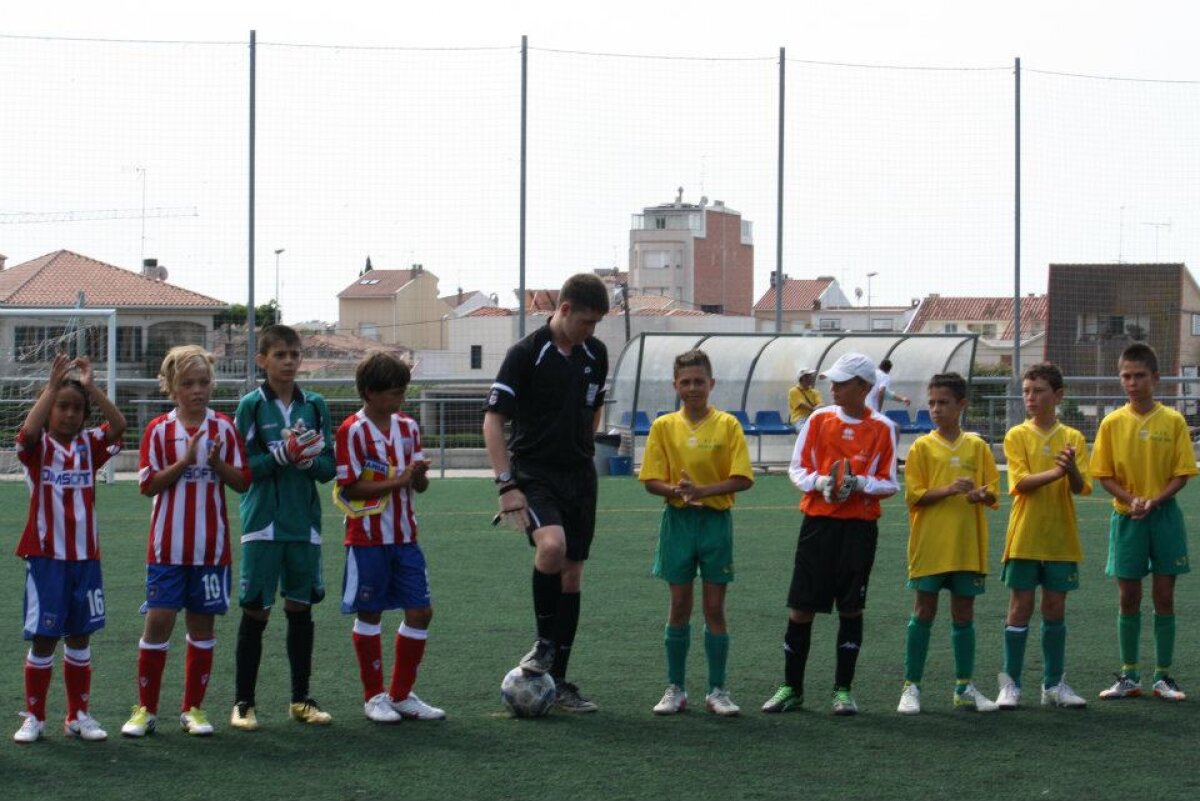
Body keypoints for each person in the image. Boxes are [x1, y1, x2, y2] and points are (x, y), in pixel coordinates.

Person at [483, 273, 609, 713]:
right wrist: (506, 484)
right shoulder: (526, 353)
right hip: (534, 473)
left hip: (579, 476)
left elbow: (593, 409)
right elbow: (493, 419)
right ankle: (542, 644)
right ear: (566, 310)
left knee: (572, 575)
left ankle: (558, 683)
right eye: (586, 322)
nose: (590, 331)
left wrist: (581, 449)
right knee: (551, 547)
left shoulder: (596, 353)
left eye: (597, 324)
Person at [122, 346, 251, 738]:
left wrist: (215, 464)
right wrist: (184, 462)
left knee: (202, 626)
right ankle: (145, 709)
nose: (197, 390)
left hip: (210, 551)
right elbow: (147, 485)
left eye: (204, 382)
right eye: (188, 384)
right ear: (171, 388)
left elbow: (243, 482)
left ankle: (193, 709)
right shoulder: (159, 430)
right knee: (158, 621)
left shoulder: (224, 428)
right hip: (167, 549)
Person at [761, 352, 898, 716]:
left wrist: (858, 484)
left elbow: (889, 483)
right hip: (818, 525)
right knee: (801, 608)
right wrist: (820, 482)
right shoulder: (819, 419)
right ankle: (791, 687)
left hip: (859, 529)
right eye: (833, 381)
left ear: (864, 387)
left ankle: (843, 691)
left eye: (842, 382)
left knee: (851, 609)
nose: (833, 387)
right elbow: (797, 468)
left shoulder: (883, 428)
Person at [13, 353, 126, 744]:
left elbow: (119, 426)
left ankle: (77, 715)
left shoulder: (89, 445)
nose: (69, 414)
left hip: (85, 559)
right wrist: (50, 388)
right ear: (50, 409)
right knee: (44, 638)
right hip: (46, 560)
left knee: (80, 636)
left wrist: (92, 387)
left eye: (77, 408)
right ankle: (35, 717)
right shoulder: (38, 448)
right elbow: (26, 433)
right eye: (62, 406)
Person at [231, 324, 336, 730]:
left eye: (294, 354)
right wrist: (279, 456)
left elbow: (329, 469)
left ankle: (300, 699)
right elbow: (241, 471)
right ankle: (243, 702)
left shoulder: (316, 405)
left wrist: (308, 460)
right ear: (262, 360)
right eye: (280, 355)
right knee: (256, 610)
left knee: (300, 607)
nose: (289, 362)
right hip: (262, 524)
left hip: (303, 524)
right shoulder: (251, 406)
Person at [639, 350, 754, 716]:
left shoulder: (728, 425)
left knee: (714, 608)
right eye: (685, 382)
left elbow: (743, 478)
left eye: (699, 381)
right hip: (678, 524)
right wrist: (677, 492)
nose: (692, 388)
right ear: (675, 385)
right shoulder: (663, 427)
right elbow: (651, 480)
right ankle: (675, 688)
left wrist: (700, 492)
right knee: (679, 605)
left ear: (711, 384)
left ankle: (717, 690)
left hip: (715, 524)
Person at [336, 351, 444, 723]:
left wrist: (417, 476)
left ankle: (400, 694)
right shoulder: (352, 430)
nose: (400, 399)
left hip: (404, 536)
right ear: (369, 392)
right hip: (366, 537)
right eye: (393, 392)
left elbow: (420, 488)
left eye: (403, 392)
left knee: (421, 611)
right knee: (371, 611)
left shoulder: (409, 428)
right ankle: (373, 697)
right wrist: (399, 479)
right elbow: (349, 488)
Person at [1091, 342, 1195, 701]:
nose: (1132, 383)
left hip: (1164, 518)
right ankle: (1129, 676)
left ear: (1156, 378)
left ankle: (1163, 677)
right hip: (1127, 518)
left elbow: (1182, 474)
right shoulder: (1111, 423)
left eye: (1139, 376)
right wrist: (1130, 499)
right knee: (1128, 596)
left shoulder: (1173, 421)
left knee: (1164, 596)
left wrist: (1155, 500)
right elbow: (1102, 474)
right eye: (1126, 376)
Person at [896, 372, 999, 715]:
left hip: (967, 545)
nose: (936, 409)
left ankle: (963, 686)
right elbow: (915, 496)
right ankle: (911, 687)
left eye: (943, 403)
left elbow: (992, 492)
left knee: (964, 614)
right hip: (930, 544)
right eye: (932, 403)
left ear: (961, 405)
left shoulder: (978, 446)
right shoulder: (922, 447)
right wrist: (950, 489)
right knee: (923, 611)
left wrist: (979, 495)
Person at [995, 362, 1090, 710]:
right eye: (1026, 391)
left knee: (1055, 608)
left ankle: (1053, 684)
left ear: (1058, 395)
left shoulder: (1074, 438)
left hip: (1061, 538)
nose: (1030, 398)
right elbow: (1019, 483)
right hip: (1025, 536)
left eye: (1038, 391)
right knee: (1020, 607)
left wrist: (1073, 470)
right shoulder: (1017, 435)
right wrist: (1057, 470)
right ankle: (1011, 684)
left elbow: (1081, 488)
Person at [788, 368, 822, 433]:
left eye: (811, 376)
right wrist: (815, 408)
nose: (812, 378)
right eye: (809, 376)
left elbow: (821, 404)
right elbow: (802, 405)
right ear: (803, 378)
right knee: (805, 432)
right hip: (799, 419)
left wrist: (817, 407)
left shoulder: (814, 392)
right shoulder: (793, 391)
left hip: (813, 418)